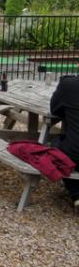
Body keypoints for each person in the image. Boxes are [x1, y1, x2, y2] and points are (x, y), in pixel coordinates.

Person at [50, 75, 79, 211]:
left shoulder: (69, 85)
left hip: (75, 153)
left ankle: (76, 194)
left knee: (56, 146)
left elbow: (54, 109)